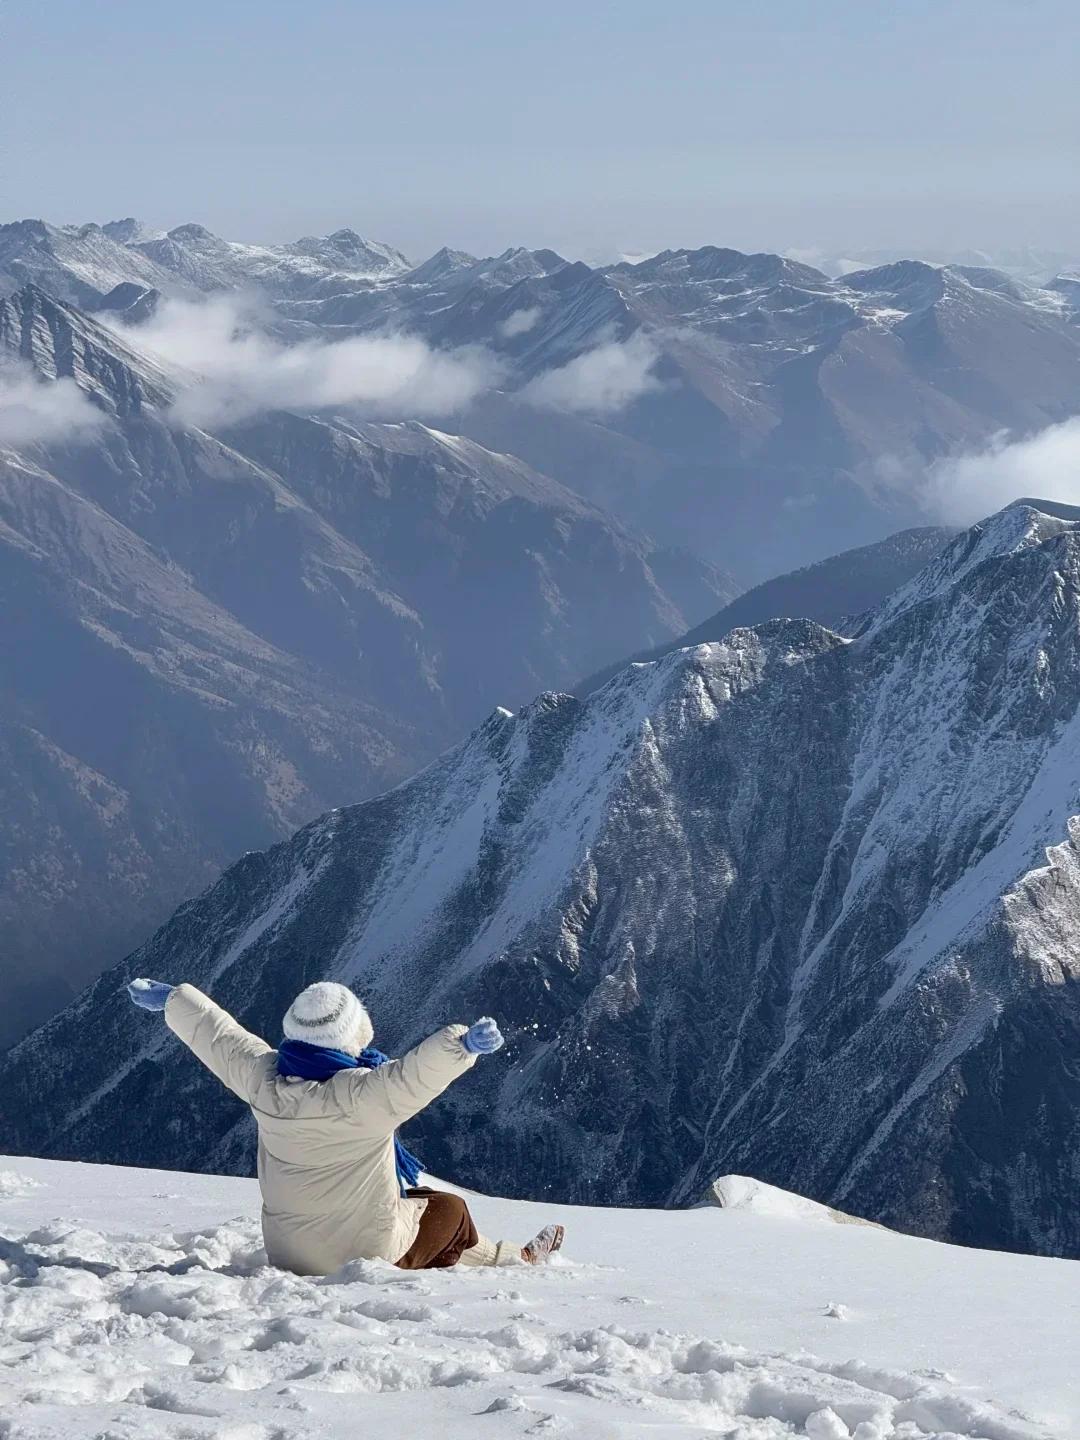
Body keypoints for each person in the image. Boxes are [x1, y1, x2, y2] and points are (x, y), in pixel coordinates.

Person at [127, 977, 564, 1276]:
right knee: (450, 1211)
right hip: (360, 1257)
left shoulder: (265, 1080)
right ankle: (514, 1260)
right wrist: (463, 1046)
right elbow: (415, 1074)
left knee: (415, 1200)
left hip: (287, 1252)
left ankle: (507, 1257)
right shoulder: (363, 1095)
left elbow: (223, 1040)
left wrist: (175, 1000)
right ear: (353, 1036)